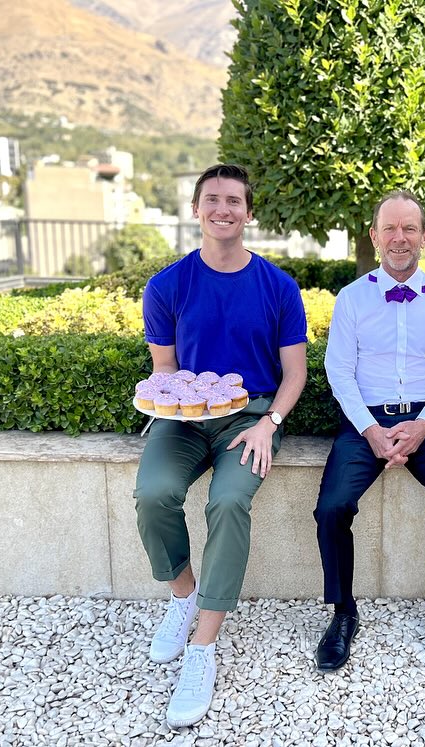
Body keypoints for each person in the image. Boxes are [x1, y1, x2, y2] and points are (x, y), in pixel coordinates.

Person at [133, 164, 307, 727]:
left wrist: (269, 424)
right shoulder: (166, 287)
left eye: (234, 201)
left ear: (248, 213)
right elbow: (165, 370)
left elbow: (295, 373)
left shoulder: (278, 287)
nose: (223, 209)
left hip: (249, 419)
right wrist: (172, 409)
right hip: (185, 416)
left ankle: (203, 649)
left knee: (228, 502)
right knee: (153, 493)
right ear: (196, 210)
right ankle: (183, 596)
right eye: (212, 200)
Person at [314, 190, 425, 673]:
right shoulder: (351, 299)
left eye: (410, 228)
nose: (400, 238)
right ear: (374, 236)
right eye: (390, 228)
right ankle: (343, 612)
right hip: (364, 422)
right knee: (331, 508)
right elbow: (339, 373)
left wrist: (424, 425)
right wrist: (370, 430)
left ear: (424, 237)